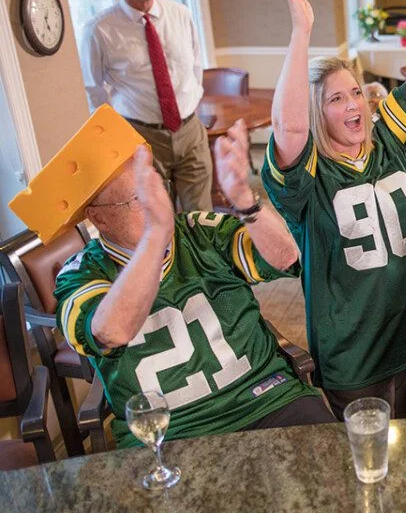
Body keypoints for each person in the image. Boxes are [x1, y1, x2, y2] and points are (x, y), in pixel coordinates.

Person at [30, 110, 336, 448]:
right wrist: (155, 237)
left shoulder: (198, 231)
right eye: (138, 199)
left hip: (266, 398)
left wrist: (245, 202)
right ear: (99, 218)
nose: (157, 205)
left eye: (156, 189)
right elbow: (110, 331)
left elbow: (285, 257)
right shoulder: (80, 273)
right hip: (172, 432)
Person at [261, 0, 406, 419]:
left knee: (405, 438)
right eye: (336, 99)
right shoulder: (308, 177)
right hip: (354, 352)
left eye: (356, 92)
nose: (354, 104)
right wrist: (301, 34)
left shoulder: (386, 141)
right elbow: (288, 128)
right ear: (318, 113)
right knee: (364, 462)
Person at [81, 0, 213, 211]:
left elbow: (195, 66)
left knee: (200, 216)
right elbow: (94, 90)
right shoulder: (100, 30)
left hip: (190, 131)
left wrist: (190, 105)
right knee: (156, 217)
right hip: (142, 138)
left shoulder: (181, 14)